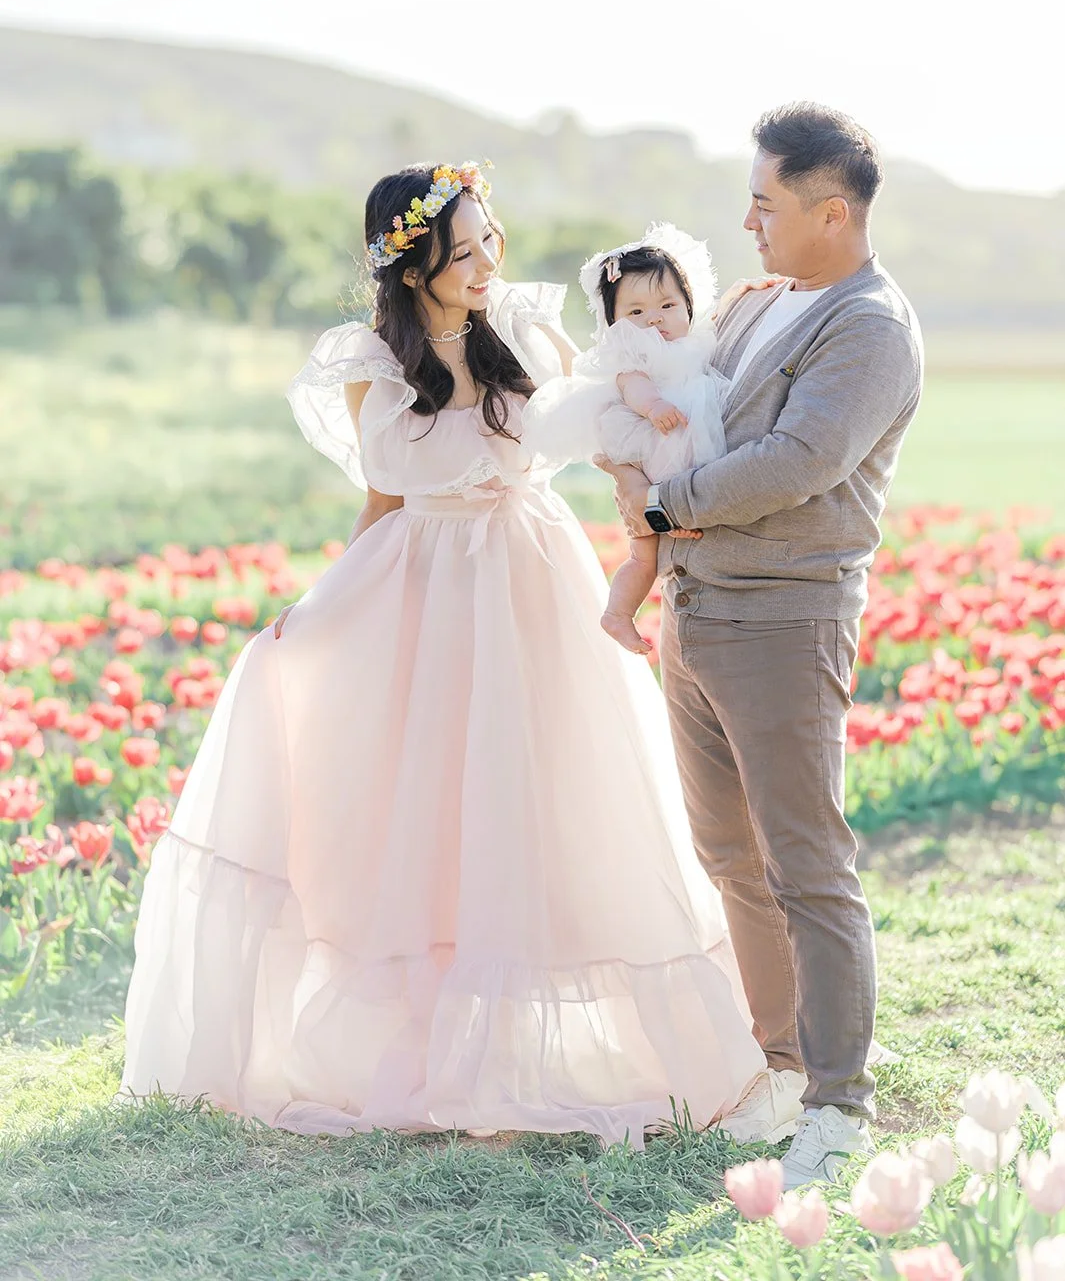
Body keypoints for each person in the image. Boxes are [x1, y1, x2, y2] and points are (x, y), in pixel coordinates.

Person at [120, 160, 766, 1147]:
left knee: (539, 797)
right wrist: (321, 608)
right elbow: (382, 501)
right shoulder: (374, 363)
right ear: (408, 263)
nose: (484, 263)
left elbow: (610, 426)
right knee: (431, 810)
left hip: (529, 573)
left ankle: (540, 1056)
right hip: (423, 589)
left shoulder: (528, 328)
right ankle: (436, 1054)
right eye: (460, 252)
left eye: (488, 240)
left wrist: (654, 497)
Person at [600, 105, 924, 1187]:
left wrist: (661, 508)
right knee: (732, 856)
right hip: (699, 614)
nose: (745, 220)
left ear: (832, 211)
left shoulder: (870, 327)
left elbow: (796, 460)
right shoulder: (761, 306)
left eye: (766, 202)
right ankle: (779, 1068)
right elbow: (685, 392)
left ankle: (840, 1100)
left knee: (807, 863)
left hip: (784, 620)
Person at [524, 224, 769, 656]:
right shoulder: (632, 354)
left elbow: (715, 316)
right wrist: (653, 406)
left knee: (658, 546)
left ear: (688, 306)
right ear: (615, 323)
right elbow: (631, 385)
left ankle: (679, 520)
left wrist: (740, 292)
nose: (654, 318)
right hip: (650, 439)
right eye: (635, 312)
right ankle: (618, 613)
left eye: (668, 305)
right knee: (643, 555)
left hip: (682, 450)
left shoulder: (695, 340)